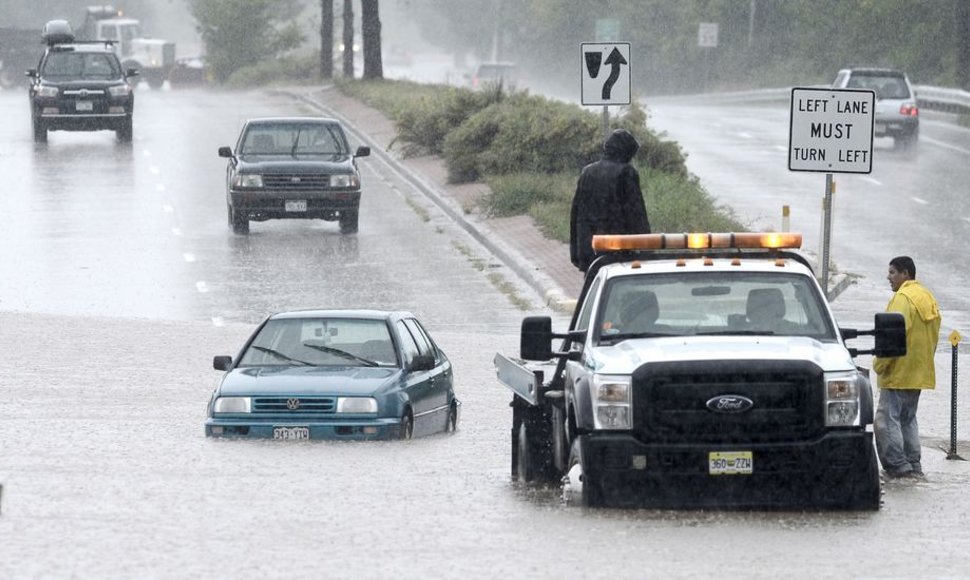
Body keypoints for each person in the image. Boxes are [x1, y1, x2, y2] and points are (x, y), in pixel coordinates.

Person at [872, 256, 941, 479]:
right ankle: (913, 465)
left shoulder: (902, 299)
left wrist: (879, 365)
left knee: (885, 421)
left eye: (892, 272)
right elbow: (934, 336)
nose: (888, 277)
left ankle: (897, 467)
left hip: (898, 372)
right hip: (918, 372)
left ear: (905, 274)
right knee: (907, 419)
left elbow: (892, 337)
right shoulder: (927, 297)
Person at [569, 128, 651, 272]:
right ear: (625, 151)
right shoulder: (626, 172)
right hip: (619, 248)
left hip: (590, 248)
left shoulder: (587, 172)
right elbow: (636, 213)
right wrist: (646, 245)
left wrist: (576, 250)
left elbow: (576, 213)